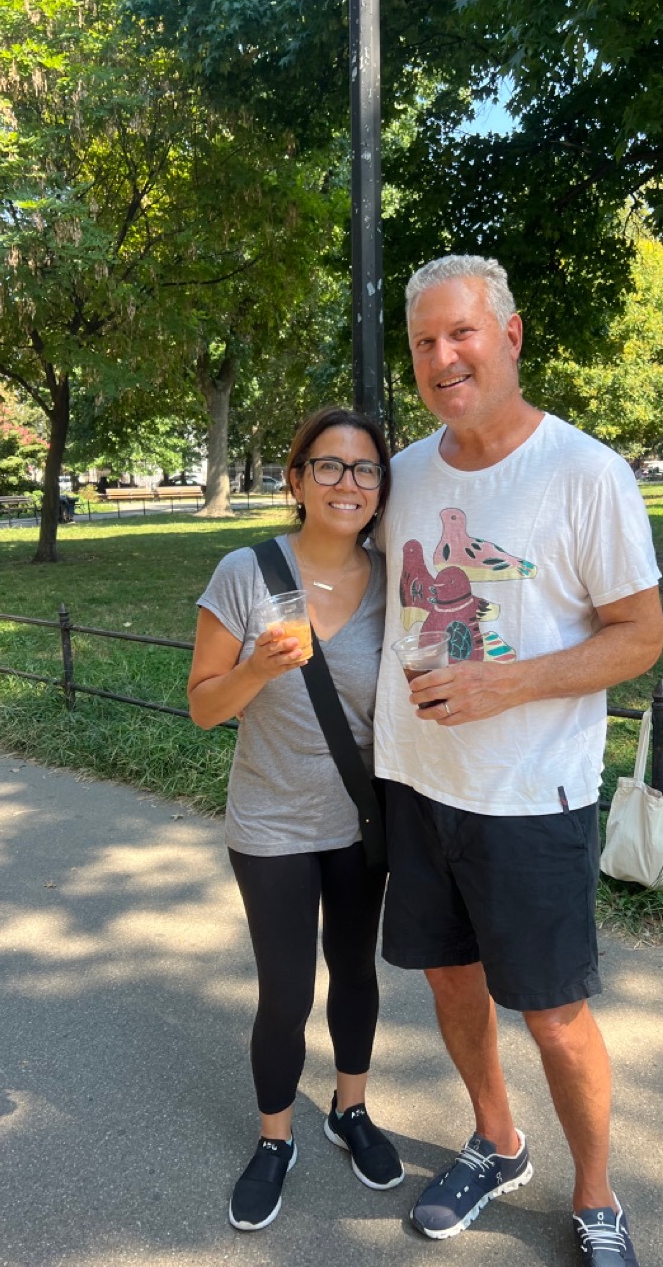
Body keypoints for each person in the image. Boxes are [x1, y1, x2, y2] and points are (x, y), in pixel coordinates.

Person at [373, 255, 663, 1266]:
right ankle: (497, 1140)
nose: (443, 356)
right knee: (451, 986)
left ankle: (596, 1196)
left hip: (530, 793)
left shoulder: (586, 471)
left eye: (461, 332)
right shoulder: (400, 472)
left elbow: (640, 633)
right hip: (416, 780)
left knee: (554, 1013)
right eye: (423, 341)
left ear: (511, 334)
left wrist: (508, 683)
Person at [187, 407, 403, 1232]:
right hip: (271, 821)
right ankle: (276, 1139)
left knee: (355, 973)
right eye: (330, 467)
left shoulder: (393, 579)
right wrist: (253, 668)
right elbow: (205, 707)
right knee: (286, 990)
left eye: (365, 470)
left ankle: (350, 1109)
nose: (348, 484)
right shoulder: (246, 572)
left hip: (359, 820)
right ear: (296, 479)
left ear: (381, 489)